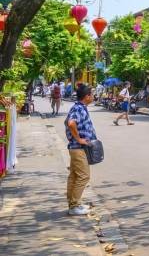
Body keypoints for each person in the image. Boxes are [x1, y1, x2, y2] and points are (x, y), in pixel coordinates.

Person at [65, 84, 97, 216]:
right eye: (92, 94)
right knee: (84, 176)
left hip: (77, 148)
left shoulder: (80, 107)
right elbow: (71, 123)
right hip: (78, 147)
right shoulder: (78, 109)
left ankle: (73, 203)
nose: (94, 96)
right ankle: (75, 205)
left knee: (74, 176)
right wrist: (78, 139)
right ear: (86, 96)